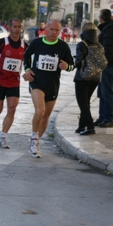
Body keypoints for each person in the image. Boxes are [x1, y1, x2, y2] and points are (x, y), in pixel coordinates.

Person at [22, 19, 75, 158]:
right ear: (46, 29)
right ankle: (33, 139)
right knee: (40, 111)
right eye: (51, 29)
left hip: (53, 85)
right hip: (36, 82)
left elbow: (71, 64)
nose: (54, 32)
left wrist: (66, 66)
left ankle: (36, 140)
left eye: (57, 30)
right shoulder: (37, 43)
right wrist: (28, 69)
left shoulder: (63, 46)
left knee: (45, 118)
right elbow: (26, 55)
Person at [0, 18, 28, 149]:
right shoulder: (1, 43)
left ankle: (2, 137)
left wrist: (28, 71)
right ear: (9, 28)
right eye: (14, 26)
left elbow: (29, 61)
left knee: (12, 109)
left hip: (14, 82)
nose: (16, 29)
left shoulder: (24, 46)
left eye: (19, 27)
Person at [73, 22, 102, 136]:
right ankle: (81, 126)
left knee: (82, 103)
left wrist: (75, 61)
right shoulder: (99, 44)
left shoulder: (82, 44)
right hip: (95, 77)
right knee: (86, 102)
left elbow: (79, 62)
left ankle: (90, 127)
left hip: (82, 78)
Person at [93, 9, 113, 128]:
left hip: (108, 66)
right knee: (102, 92)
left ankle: (108, 118)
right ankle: (102, 117)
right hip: (104, 65)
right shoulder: (108, 29)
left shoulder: (110, 30)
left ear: (101, 18)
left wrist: (102, 63)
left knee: (107, 92)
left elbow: (109, 50)